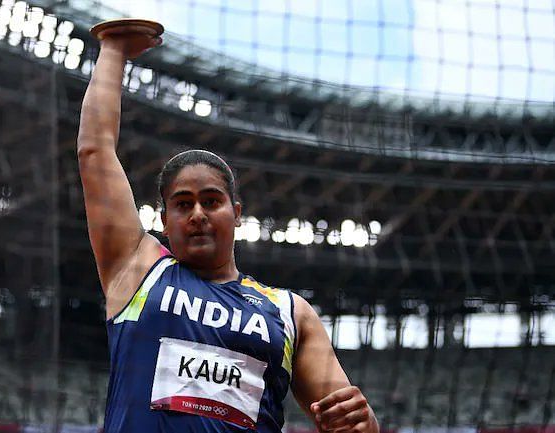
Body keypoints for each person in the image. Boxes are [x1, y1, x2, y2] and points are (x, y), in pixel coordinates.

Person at [77, 23, 380, 433]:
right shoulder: (137, 268)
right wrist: (113, 51)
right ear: (164, 221)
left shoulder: (291, 314)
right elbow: (96, 152)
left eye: (212, 201)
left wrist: (365, 424)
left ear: (236, 212)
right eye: (183, 204)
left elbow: (347, 424)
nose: (198, 213)